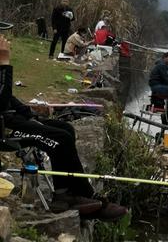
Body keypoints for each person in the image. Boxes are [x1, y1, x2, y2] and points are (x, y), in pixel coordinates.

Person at [0, 35, 126, 218]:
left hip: (11, 120)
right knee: (61, 138)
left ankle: (69, 192)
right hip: (4, 130)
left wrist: (30, 113)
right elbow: (1, 102)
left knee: (66, 129)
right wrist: (4, 63)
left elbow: (8, 98)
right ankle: (71, 196)